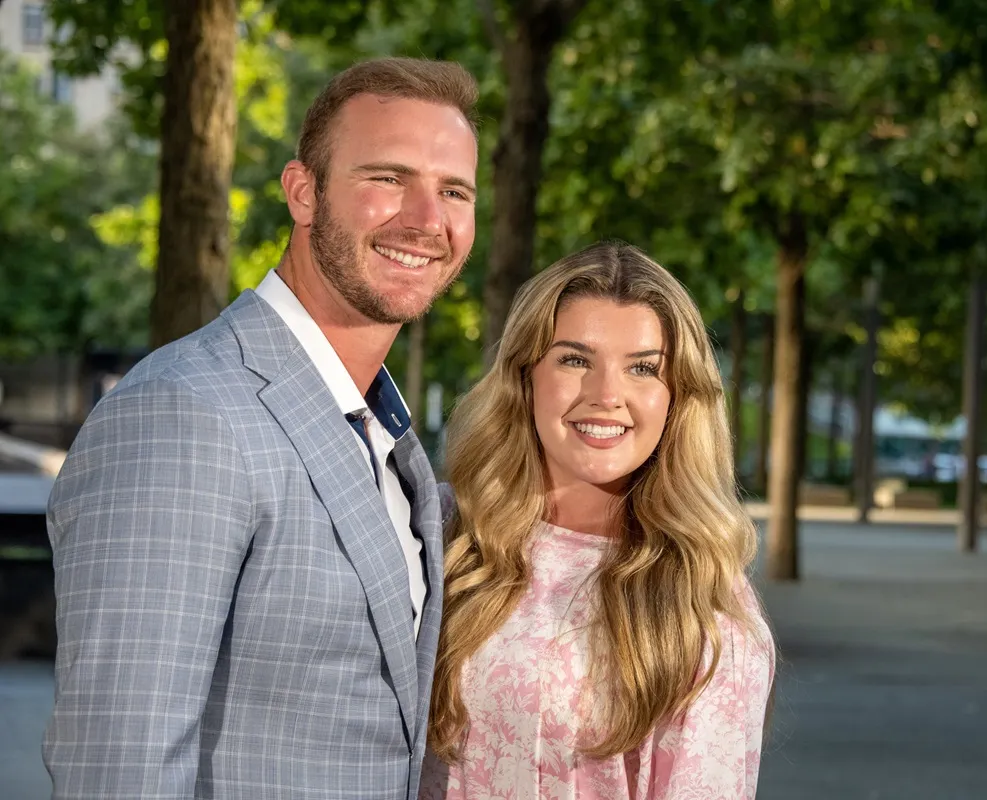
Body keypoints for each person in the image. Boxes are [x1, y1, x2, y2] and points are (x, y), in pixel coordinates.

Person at [43, 57, 479, 799]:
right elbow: (118, 770)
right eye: (387, 178)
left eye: (454, 191)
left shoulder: (381, 429)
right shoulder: (184, 414)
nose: (426, 219)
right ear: (303, 192)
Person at [421, 241, 775, 799]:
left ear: (676, 398)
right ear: (525, 375)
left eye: (642, 369)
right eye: (575, 359)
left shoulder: (703, 603)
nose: (607, 395)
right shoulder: (438, 531)